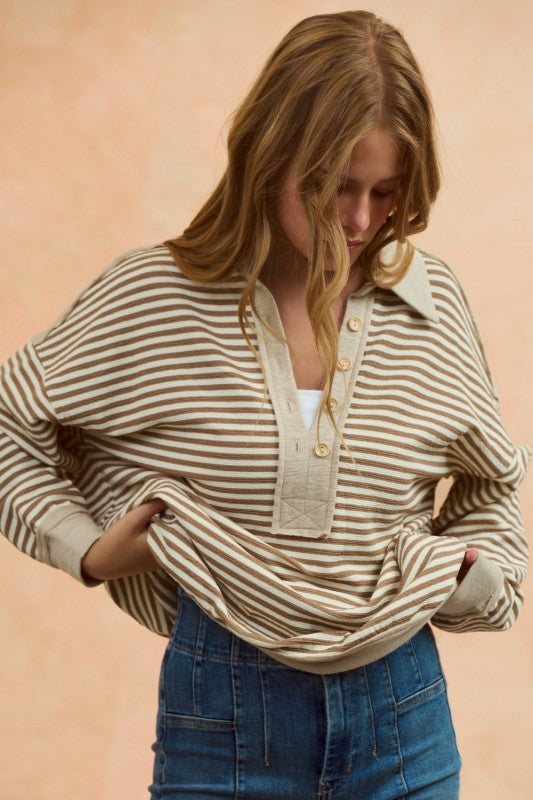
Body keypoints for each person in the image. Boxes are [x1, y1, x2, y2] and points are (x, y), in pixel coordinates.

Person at [0, 10, 530, 800]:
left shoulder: (431, 302)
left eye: (384, 193)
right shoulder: (156, 296)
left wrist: (472, 580)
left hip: (404, 713)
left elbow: (492, 480)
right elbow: (12, 424)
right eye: (331, 186)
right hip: (222, 716)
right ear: (267, 156)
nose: (359, 220)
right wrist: (85, 550)